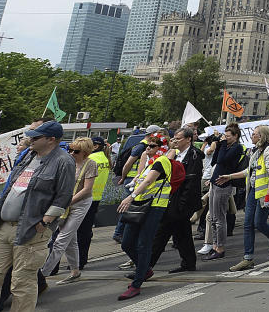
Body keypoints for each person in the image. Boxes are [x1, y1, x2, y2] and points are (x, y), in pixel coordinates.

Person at [0, 121, 75, 312]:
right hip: (3, 226)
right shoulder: (29, 155)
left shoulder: (63, 161)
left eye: (35, 137)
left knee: (22, 283)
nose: (30, 140)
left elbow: (64, 197)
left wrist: (45, 222)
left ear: (51, 140)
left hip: (31, 230)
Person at [116, 134, 171, 301]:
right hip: (141, 205)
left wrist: (130, 197)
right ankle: (144, 268)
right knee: (126, 243)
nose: (148, 148)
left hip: (154, 207)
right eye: (147, 145)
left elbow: (147, 182)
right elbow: (141, 179)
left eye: (152, 146)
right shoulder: (150, 162)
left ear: (162, 147)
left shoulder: (162, 162)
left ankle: (137, 284)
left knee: (143, 244)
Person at [227, 125, 269, 271]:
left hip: (264, 193)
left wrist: (268, 195)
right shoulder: (257, 151)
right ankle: (248, 258)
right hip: (254, 192)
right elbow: (249, 171)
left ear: (262, 136)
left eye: (254, 134)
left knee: (259, 223)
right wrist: (229, 176)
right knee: (248, 224)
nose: (251, 136)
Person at [40, 137, 97, 285]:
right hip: (65, 203)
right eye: (70, 149)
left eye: (76, 151)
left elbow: (87, 189)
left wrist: (66, 202)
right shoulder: (68, 162)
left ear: (85, 152)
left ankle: (41, 276)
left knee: (60, 240)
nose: (71, 153)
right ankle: (75, 271)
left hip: (80, 203)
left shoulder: (90, 164)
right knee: (71, 240)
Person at [149, 127, 204, 274]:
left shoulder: (194, 155)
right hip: (173, 199)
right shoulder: (177, 154)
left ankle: (146, 267)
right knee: (182, 234)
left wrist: (181, 205)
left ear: (188, 139)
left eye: (178, 138)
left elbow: (191, 182)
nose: (175, 141)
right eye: (174, 138)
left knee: (162, 233)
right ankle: (189, 262)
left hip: (181, 202)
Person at [201, 124, 243, 260]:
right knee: (212, 217)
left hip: (224, 185)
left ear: (235, 136)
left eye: (228, 136)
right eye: (225, 135)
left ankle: (220, 247)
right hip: (215, 182)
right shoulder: (225, 146)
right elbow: (215, 161)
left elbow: (222, 160)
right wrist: (218, 145)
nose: (226, 138)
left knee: (219, 218)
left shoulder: (237, 147)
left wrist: (223, 144)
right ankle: (214, 245)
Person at [76, 136, 111, 270]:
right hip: (96, 197)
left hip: (83, 197)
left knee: (80, 232)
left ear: (95, 147)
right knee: (85, 231)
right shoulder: (104, 159)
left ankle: (78, 261)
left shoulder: (91, 160)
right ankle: (81, 259)